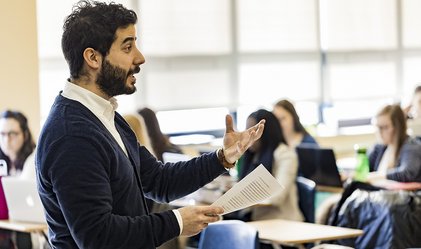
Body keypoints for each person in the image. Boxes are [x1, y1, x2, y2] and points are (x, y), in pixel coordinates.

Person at [35, 1, 265, 248]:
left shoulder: (104, 116)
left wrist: (221, 158)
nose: (140, 57)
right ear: (93, 57)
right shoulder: (73, 136)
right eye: (127, 47)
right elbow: (98, 238)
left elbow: (159, 181)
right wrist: (176, 222)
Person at [328, 104, 421, 226]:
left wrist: (376, 176)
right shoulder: (380, 147)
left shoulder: (411, 146)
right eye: (377, 127)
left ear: (397, 127)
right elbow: (365, 171)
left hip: (398, 201)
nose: (379, 132)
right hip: (377, 197)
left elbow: (407, 173)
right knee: (332, 205)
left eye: (384, 127)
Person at [238, 109, 304, 222]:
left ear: (266, 132)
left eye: (252, 132)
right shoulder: (253, 155)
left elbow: (277, 197)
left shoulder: (285, 155)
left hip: (282, 222)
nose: (248, 137)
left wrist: (241, 198)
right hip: (257, 221)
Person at [0, 110, 36, 249]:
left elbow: (21, 206)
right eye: (2, 134)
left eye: (12, 134)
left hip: (31, 230)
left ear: (25, 135)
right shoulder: (4, 164)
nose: (6, 140)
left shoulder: (33, 161)